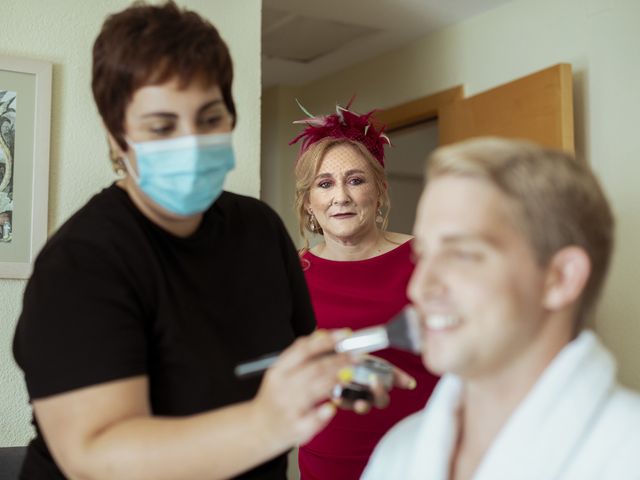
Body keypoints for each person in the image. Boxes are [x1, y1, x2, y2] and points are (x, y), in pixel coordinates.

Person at [12, 3, 354, 479]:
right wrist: (265, 424)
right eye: (162, 127)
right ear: (117, 138)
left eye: (210, 119)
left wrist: (340, 376)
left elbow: (294, 357)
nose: (191, 142)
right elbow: (96, 456)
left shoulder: (258, 229)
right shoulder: (81, 264)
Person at [362, 137, 640, 480]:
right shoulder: (399, 453)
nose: (418, 288)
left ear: (560, 278)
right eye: (422, 255)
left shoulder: (629, 453)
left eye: (462, 254)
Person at [290, 102, 440, 479]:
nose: (340, 196)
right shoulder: (290, 273)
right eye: (325, 184)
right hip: (327, 464)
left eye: (355, 180)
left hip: (420, 458)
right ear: (310, 202)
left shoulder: (427, 258)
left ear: (379, 189)